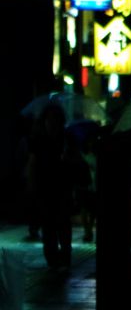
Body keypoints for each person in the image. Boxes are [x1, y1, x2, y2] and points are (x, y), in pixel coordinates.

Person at [28, 106, 80, 270]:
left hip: (63, 189)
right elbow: (32, 163)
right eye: (49, 119)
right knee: (48, 227)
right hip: (45, 190)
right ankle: (53, 259)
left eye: (55, 119)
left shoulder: (67, 139)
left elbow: (76, 162)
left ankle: (64, 257)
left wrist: (68, 159)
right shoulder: (39, 140)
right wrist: (32, 186)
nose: (52, 123)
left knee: (63, 226)